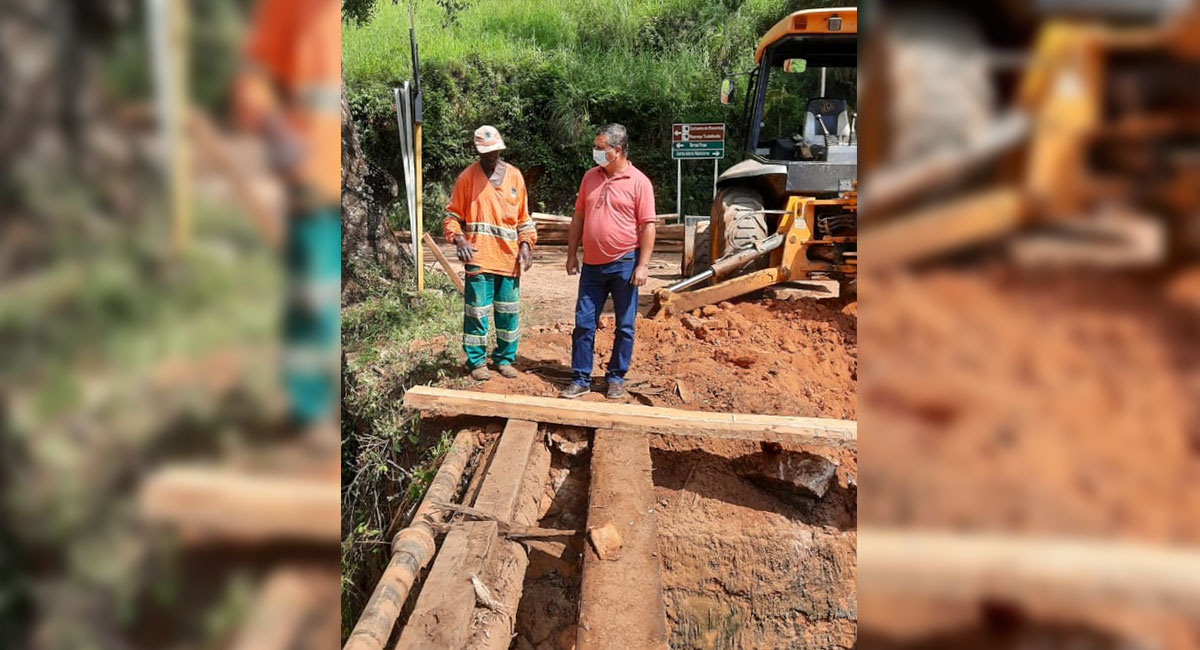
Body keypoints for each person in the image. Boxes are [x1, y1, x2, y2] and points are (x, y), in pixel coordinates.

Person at [233, 0, 340, 431]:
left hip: (323, 186)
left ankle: (310, 406)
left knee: (317, 297)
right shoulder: (287, 10)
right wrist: (280, 139)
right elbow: (251, 84)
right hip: (302, 186)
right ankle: (306, 410)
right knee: (309, 298)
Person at [561, 124, 656, 400]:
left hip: (625, 263)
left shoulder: (639, 182)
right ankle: (580, 378)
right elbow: (578, 217)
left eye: (601, 149)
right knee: (584, 323)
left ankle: (615, 377)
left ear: (617, 151)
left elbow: (648, 226)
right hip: (592, 266)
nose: (596, 154)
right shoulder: (590, 178)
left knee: (625, 326)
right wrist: (571, 254)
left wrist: (643, 265)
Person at [443, 126, 536, 381]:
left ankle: (505, 359)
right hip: (479, 257)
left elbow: (524, 219)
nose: (491, 155)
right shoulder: (467, 178)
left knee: (508, 312)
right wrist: (459, 239)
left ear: (500, 148)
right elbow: (452, 217)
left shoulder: (515, 177)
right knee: (477, 312)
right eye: (486, 152)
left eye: (495, 150)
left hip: (508, 260)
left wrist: (526, 245)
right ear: (477, 151)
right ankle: (476, 362)